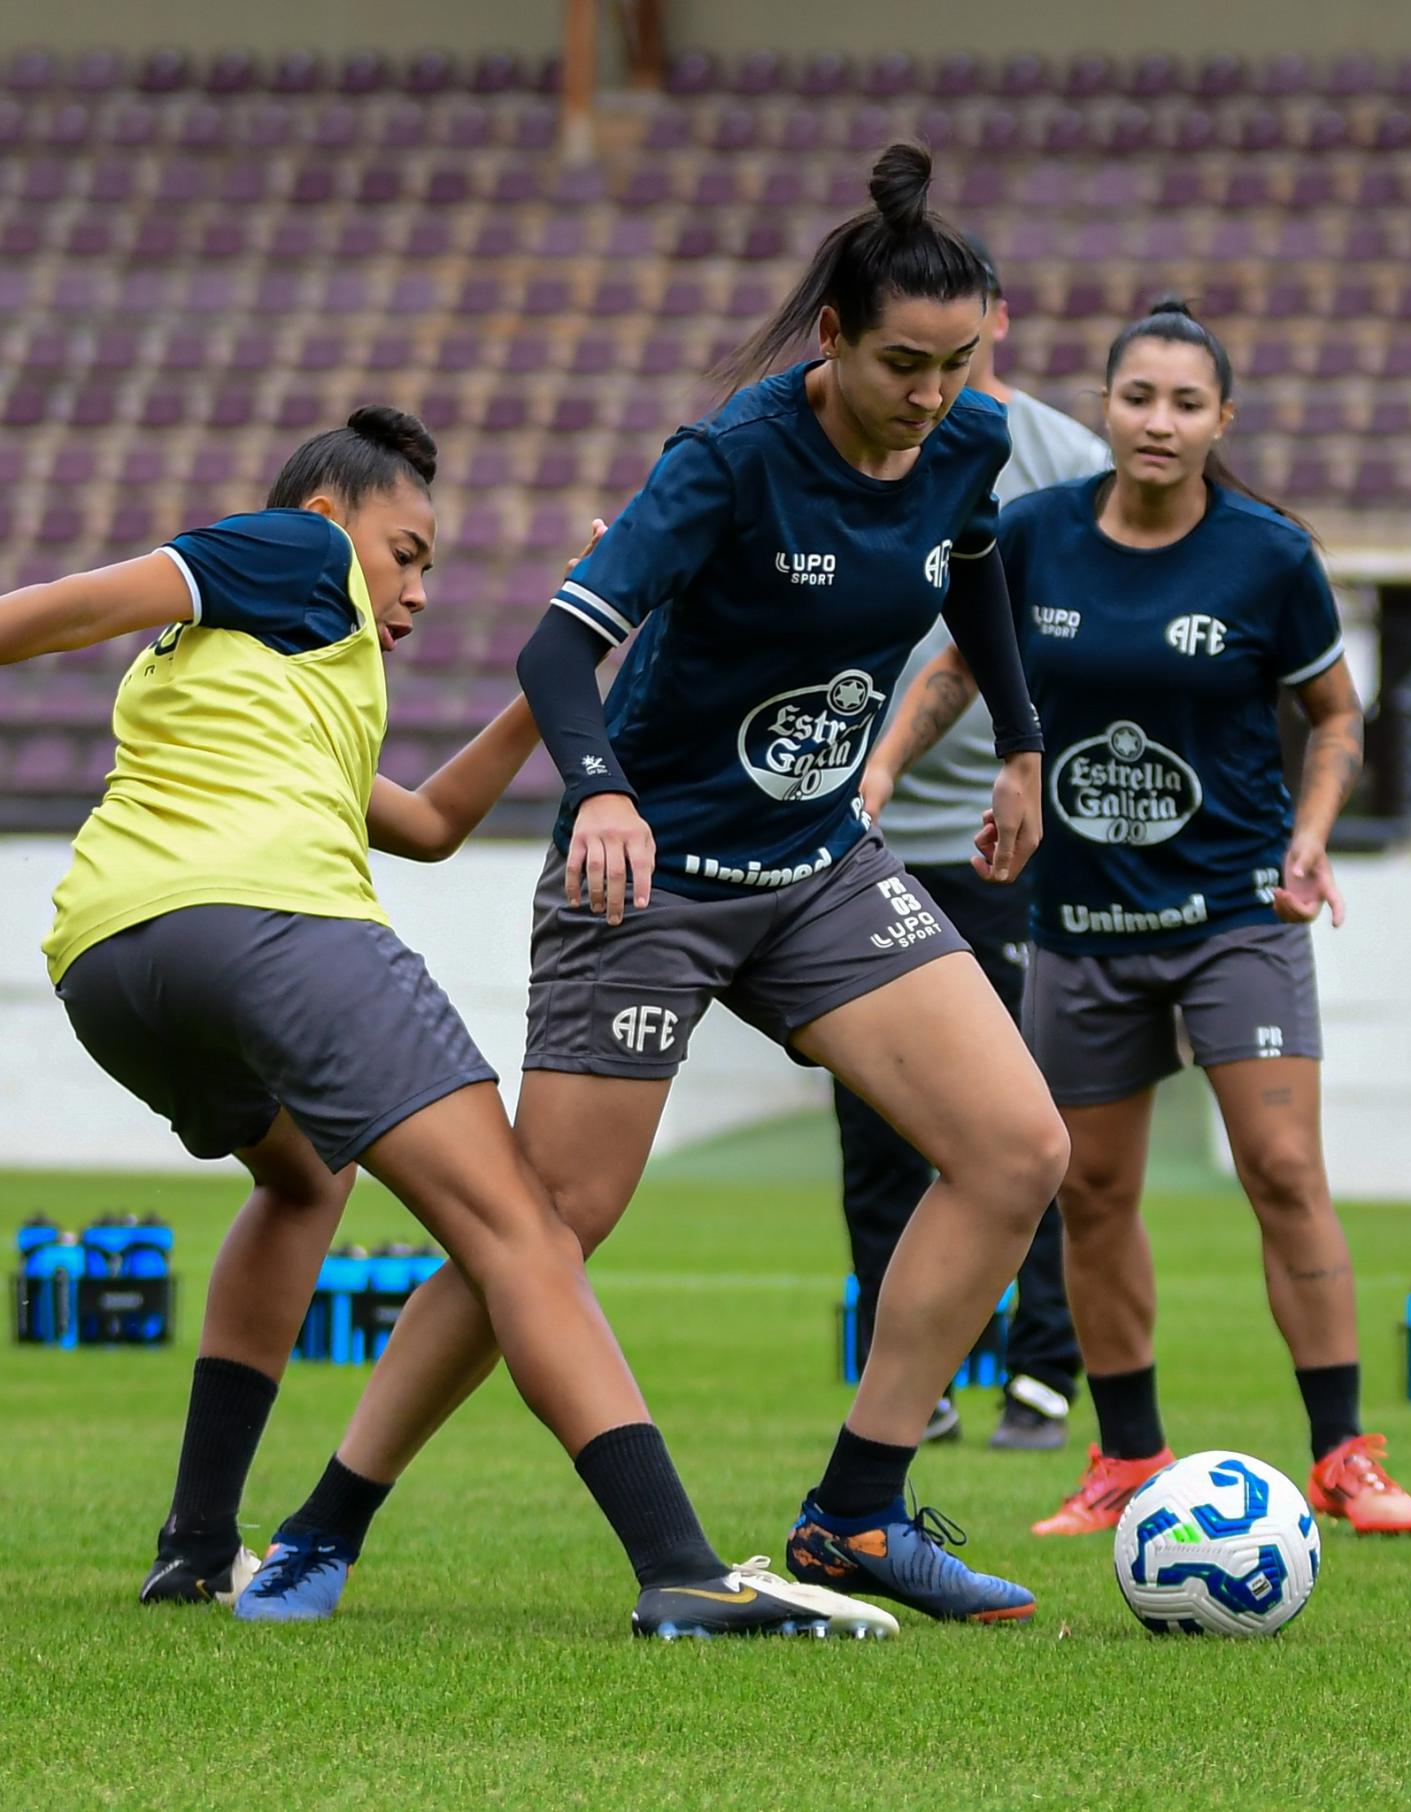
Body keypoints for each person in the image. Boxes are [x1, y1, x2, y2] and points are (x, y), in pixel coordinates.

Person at [251, 143, 1069, 1627]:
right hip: (653, 877)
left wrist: (1021, 744)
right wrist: (601, 788)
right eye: (902, 363)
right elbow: (556, 652)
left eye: (957, 362)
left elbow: (976, 573)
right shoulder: (726, 459)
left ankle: (858, 1519)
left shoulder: (964, 444)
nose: (930, 395)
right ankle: (321, 1526)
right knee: (548, 1225)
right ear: (830, 335)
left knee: (1018, 1149)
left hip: (820, 865)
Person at [11, 407, 895, 1641]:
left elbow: (428, 825)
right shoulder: (295, 551)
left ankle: (200, 1549)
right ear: (332, 524)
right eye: (407, 550)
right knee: (521, 1223)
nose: (419, 588)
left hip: (109, 962)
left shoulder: (254, 674)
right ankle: (681, 1568)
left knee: (300, 1184)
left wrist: (582, 654)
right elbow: (57, 606)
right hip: (269, 927)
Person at [876, 299, 1411, 1537]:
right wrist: (881, 773)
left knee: (1283, 1171)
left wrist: (1312, 828)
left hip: (1237, 914)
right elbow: (959, 664)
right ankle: (1125, 1458)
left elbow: (1335, 715)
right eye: (1137, 398)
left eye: (1186, 403)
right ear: (1104, 410)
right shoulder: (1030, 535)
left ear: (1219, 420)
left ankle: (1341, 1452)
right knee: (1093, 1193)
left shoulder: (1267, 554)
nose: (1158, 422)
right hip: (1079, 923)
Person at [847, 230, 1106, 1452]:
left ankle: (1043, 1368)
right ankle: (915, 1373)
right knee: (876, 1118)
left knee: (1020, 1108)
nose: (938, 376)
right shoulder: (849, 440)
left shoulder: (1064, 457)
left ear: (996, 317)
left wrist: (1035, 761)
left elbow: (1080, 620)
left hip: (1004, 836)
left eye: (964, 337)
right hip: (860, 821)